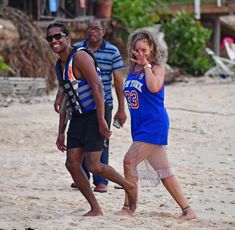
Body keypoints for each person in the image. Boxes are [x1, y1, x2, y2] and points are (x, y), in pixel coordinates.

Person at [46, 22, 137, 216]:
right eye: (50, 38)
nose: (54, 41)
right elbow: (67, 99)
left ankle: (128, 186)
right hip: (78, 117)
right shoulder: (59, 66)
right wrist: (61, 132)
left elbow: (98, 87)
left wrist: (103, 119)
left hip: (96, 113)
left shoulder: (79, 56)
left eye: (58, 36)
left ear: (67, 38)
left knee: (94, 164)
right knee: (71, 163)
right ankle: (95, 208)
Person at [115, 29, 197, 223]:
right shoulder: (132, 70)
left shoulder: (156, 67)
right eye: (137, 50)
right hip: (140, 126)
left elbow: (154, 87)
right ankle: (187, 210)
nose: (141, 54)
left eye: (144, 50)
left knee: (129, 162)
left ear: (152, 48)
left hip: (154, 125)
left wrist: (146, 67)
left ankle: (129, 207)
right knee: (164, 172)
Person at [55, 19, 127, 193]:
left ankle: (101, 181)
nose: (93, 31)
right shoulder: (78, 49)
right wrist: (60, 95)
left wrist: (121, 108)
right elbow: (68, 76)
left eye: (97, 28)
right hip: (80, 103)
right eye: (90, 29)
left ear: (103, 31)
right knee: (80, 141)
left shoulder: (112, 51)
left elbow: (118, 81)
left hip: (104, 103)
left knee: (100, 143)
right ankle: (83, 177)